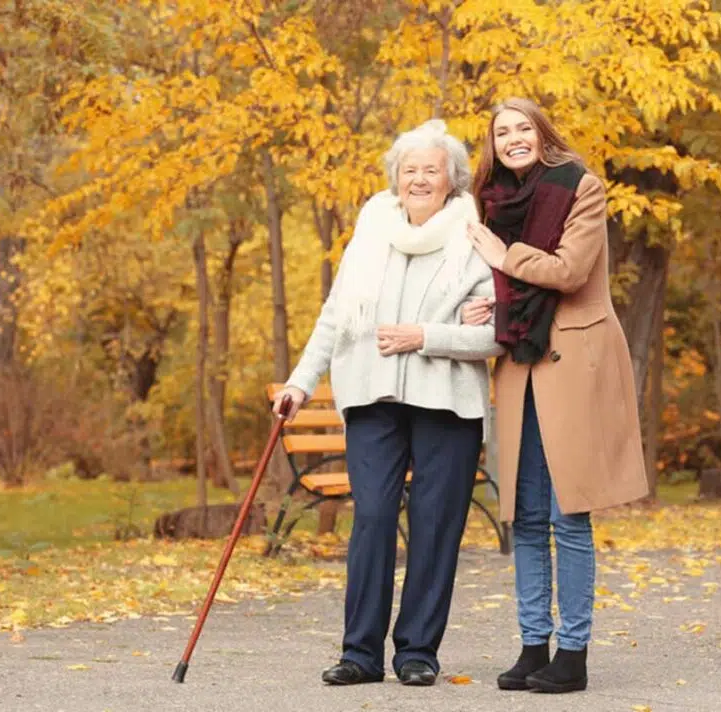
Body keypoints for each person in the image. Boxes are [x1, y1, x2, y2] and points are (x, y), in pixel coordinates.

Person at [271, 119, 503, 687]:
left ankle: (418, 650)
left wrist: (425, 336)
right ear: (395, 178)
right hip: (371, 396)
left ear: (452, 180)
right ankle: (360, 653)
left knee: (435, 524)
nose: (419, 179)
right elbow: (335, 315)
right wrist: (300, 382)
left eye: (431, 170)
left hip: (447, 402)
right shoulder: (371, 229)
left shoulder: (476, 238)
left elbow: (499, 336)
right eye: (409, 169)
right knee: (373, 517)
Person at [463, 98, 650, 694]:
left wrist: (502, 257)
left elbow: (569, 272)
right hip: (522, 361)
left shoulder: (581, 187)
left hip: (574, 359)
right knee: (524, 513)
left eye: (523, 129)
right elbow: (516, 284)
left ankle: (573, 655)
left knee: (570, 514)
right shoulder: (493, 201)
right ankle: (531, 645)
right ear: (492, 145)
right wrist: (493, 303)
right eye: (502, 133)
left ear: (542, 135)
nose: (513, 139)